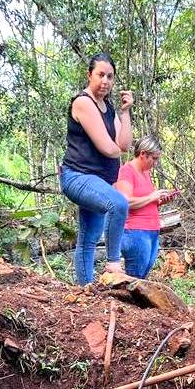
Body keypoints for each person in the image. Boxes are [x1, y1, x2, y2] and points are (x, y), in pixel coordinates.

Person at [60, 53, 133, 286]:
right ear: (89, 75)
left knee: (89, 239)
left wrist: (125, 112)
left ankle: (85, 290)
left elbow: (124, 144)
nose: (105, 81)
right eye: (101, 75)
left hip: (97, 181)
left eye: (110, 76)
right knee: (118, 204)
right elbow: (108, 148)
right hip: (77, 177)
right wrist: (117, 150)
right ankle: (113, 263)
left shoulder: (109, 108)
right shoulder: (83, 102)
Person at [114, 136, 177, 279]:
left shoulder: (146, 173)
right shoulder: (127, 171)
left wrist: (161, 200)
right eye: (153, 159)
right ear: (143, 154)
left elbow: (146, 202)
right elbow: (125, 202)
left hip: (152, 230)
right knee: (135, 278)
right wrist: (152, 197)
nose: (155, 163)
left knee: (143, 275)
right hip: (135, 231)